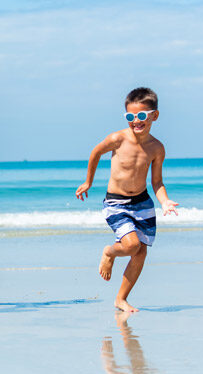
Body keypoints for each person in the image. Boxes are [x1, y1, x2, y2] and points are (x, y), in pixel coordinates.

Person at [75, 87, 179, 312]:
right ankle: (109, 251)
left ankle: (120, 298)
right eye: (130, 117)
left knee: (141, 253)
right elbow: (95, 153)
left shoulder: (157, 148)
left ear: (154, 115)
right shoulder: (118, 139)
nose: (136, 121)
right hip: (116, 203)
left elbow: (157, 182)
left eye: (141, 116)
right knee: (131, 246)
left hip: (142, 203)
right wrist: (88, 181)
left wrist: (165, 201)